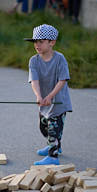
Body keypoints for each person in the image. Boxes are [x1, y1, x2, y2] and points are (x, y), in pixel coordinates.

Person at [25, 24, 72, 165]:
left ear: (52, 42)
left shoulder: (59, 59)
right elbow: (34, 80)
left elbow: (62, 80)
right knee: (43, 126)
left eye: (41, 41)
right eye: (35, 42)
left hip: (58, 101)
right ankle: (56, 145)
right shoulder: (34, 61)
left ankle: (53, 156)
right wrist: (39, 96)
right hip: (44, 101)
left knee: (54, 128)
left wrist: (51, 96)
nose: (37, 45)